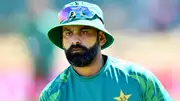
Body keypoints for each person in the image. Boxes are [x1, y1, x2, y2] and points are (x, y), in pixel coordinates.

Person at [39, 1, 172, 101]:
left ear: (101, 38)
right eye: (68, 34)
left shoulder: (137, 79)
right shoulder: (53, 94)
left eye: (84, 32)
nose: (75, 41)